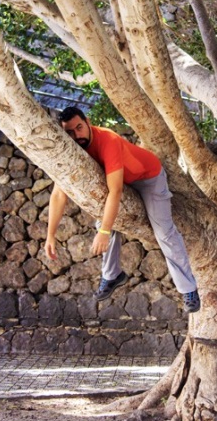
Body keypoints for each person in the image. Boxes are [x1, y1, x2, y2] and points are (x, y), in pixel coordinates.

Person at [45, 106, 200, 313]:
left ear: (88, 122)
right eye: (70, 132)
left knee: (163, 231)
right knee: (104, 220)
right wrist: (50, 235)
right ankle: (112, 276)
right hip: (120, 180)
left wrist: (104, 233)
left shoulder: (108, 140)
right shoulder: (73, 149)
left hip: (148, 178)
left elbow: (115, 192)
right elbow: (58, 193)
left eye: (79, 128)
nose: (76, 135)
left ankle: (189, 289)